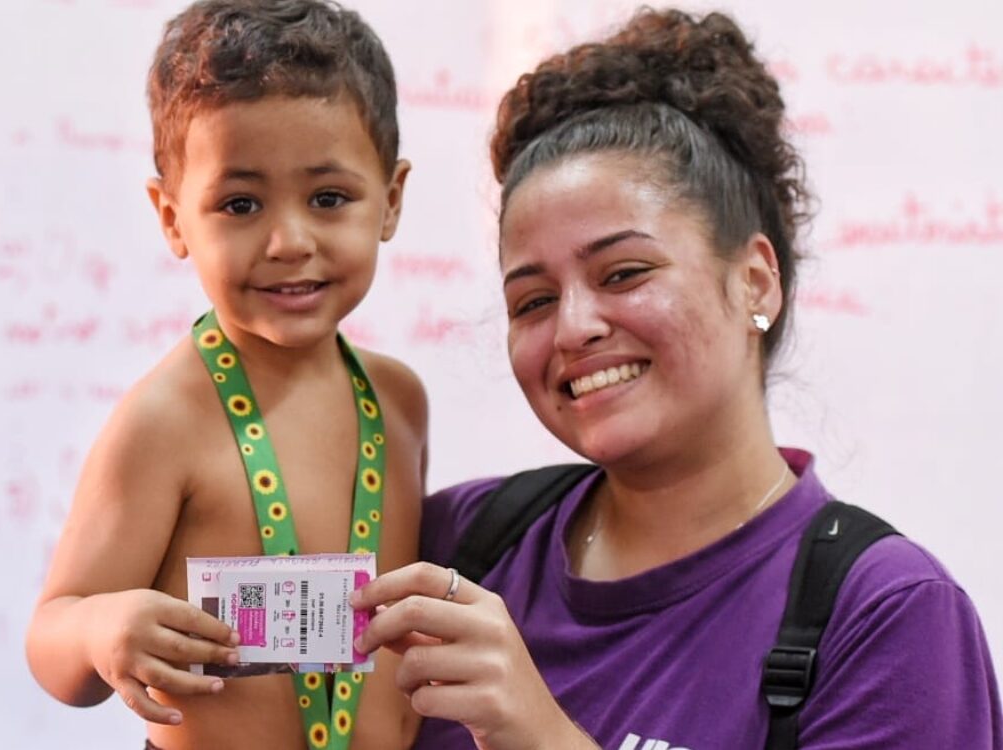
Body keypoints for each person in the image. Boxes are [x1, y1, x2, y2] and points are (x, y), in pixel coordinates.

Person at [351, 8, 1002, 750]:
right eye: (532, 301)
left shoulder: (885, 615)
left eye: (623, 273)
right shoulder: (461, 546)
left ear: (756, 281)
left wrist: (541, 737)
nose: (572, 328)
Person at [24, 2, 427, 749]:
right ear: (173, 217)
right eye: (240, 203)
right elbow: (51, 636)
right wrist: (100, 627)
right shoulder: (165, 419)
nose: (288, 241)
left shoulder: (399, 400)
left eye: (329, 199)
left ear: (391, 201)